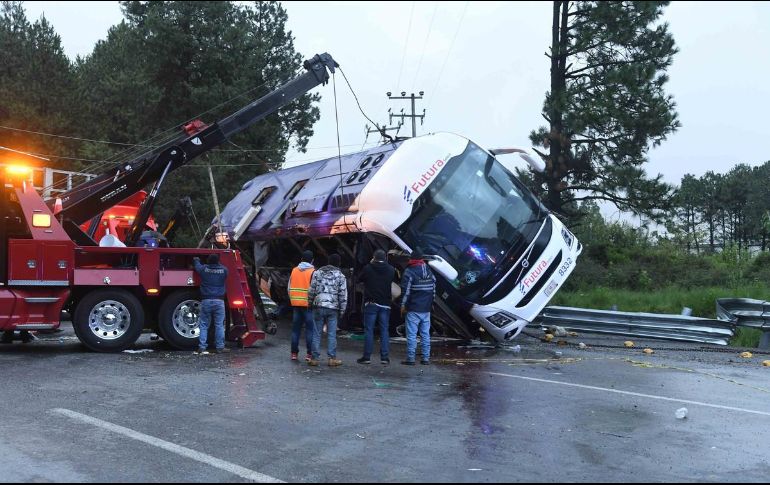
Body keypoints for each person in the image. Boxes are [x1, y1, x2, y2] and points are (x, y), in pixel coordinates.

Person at [356, 249, 396, 365]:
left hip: (371, 303)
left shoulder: (368, 268)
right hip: (385, 304)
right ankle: (384, 357)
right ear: (385, 258)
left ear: (374, 257)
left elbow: (359, 279)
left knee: (369, 330)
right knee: (384, 330)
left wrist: (370, 263)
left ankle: (367, 357)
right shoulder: (391, 270)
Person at [307, 253, 347, 367]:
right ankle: (331, 358)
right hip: (333, 308)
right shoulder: (340, 276)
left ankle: (314, 359)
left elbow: (311, 290)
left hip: (318, 305)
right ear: (339, 263)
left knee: (316, 333)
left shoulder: (317, 273)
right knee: (331, 334)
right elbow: (343, 294)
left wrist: (309, 303)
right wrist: (343, 310)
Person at [399, 247, 436, 365]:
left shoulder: (410, 271)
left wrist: (403, 305)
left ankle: (410, 359)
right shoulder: (429, 271)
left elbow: (406, 291)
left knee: (412, 334)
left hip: (414, 308)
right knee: (425, 334)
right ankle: (425, 358)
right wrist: (431, 303)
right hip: (426, 309)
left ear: (411, 259)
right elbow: (433, 289)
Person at [192, 254, 230, 355]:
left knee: (204, 325)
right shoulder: (224, 270)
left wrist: (196, 259)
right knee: (219, 325)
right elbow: (224, 271)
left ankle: (202, 347)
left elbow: (197, 266)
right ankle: (220, 347)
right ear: (218, 261)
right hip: (219, 301)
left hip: (206, 301)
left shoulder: (204, 269)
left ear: (208, 261)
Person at [288, 250, 316, 362]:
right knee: (309, 330)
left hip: (296, 304)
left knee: (295, 330)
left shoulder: (294, 270)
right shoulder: (313, 272)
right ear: (312, 260)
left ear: (301, 259)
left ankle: (294, 353)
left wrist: (293, 299)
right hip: (308, 305)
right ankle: (309, 354)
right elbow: (315, 289)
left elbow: (289, 288)